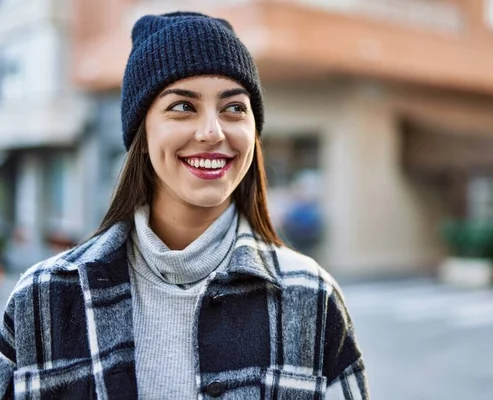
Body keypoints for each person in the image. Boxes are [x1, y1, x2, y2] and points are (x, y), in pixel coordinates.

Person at [0, 12, 369, 399]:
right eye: (182, 107)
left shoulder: (310, 297)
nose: (212, 131)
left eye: (233, 108)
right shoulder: (44, 300)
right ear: (142, 133)